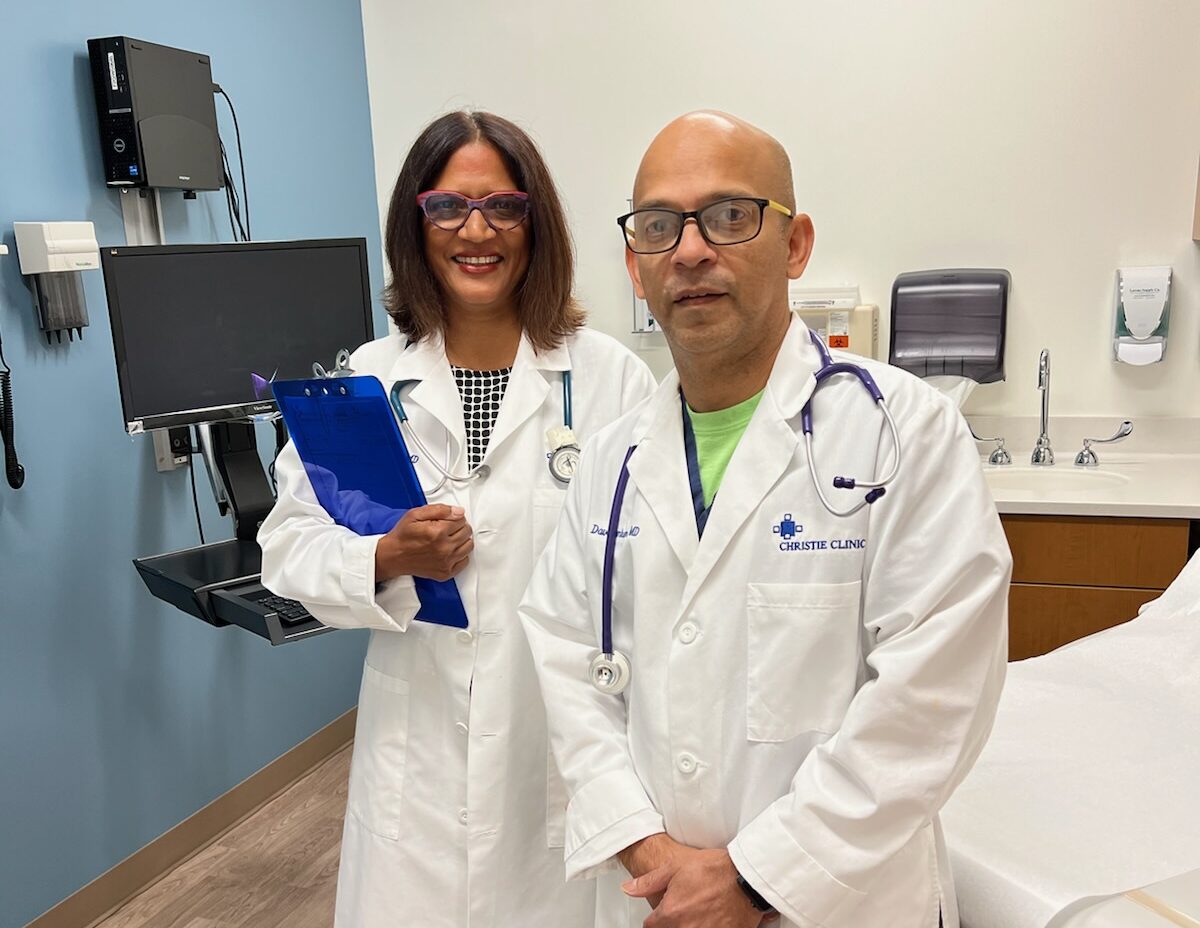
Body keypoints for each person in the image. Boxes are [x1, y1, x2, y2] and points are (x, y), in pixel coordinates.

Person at [518, 111, 1011, 928]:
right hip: (654, 895)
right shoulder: (608, 461)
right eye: (657, 226)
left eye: (729, 215)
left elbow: (933, 697)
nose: (690, 249)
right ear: (637, 270)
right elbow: (568, 664)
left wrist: (755, 879)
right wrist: (644, 847)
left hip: (837, 901)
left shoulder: (905, 433)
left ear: (795, 244)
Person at [259, 110, 656, 928]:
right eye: (448, 207)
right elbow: (287, 547)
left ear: (533, 223)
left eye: (502, 207)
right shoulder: (368, 378)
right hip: (418, 765)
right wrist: (385, 556)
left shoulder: (610, 379)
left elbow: (655, 571)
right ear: (418, 223)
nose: (476, 231)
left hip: (560, 753)